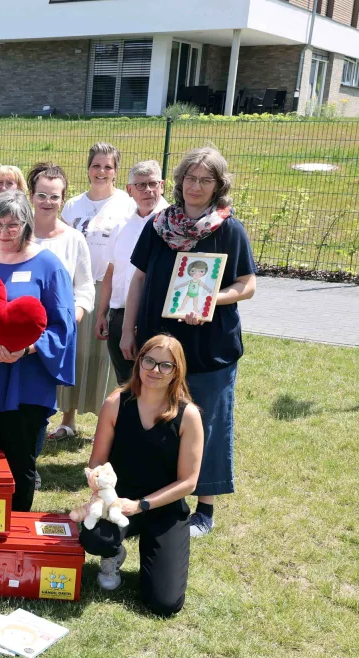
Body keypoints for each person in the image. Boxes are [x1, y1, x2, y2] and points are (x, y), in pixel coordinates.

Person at [121, 146, 257, 538]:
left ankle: (205, 509)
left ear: (219, 185)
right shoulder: (160, 224)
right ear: (179, 182)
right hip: (158, 344)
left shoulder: (229, 228)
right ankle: (157, 496)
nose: (196, 186)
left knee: (206, 422)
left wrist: (213, 299)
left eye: (206, 179)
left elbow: (247, 285)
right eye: (190, 178)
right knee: (158, 419)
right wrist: (129, 331)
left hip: (208, 347)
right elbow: (139, 280)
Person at [0, 191, 76, 512]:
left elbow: (63, 325)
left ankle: (16, 534)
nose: (4, 232)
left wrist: (30, 348)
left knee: (19, 464)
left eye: (13, 225)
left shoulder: (48, 265)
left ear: (27, 226)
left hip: (27, 382)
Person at [78, 335, 204, 617]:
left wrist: (142, 505)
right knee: (93, 538)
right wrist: (96, 481)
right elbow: (98, 460)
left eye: (165, 365)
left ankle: (156, 552)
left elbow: (188, 482)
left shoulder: (188, 415)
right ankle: (113, 554)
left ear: (177, 371)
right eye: (149, 360)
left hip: (163, 509)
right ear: (139, 361)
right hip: (117, 503)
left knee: (164, 604)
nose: (154, 370)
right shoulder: (115, 403)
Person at [52, 142, 136, 438]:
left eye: (108, 167)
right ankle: (68, 420)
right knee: (75, 352)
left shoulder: (127, 204)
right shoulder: (73, 205)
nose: (101, 171)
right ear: (88, 168)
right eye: (96, 165)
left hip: (110, 286)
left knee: (106, 355)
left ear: (116, 171)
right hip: (75, 288)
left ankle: (108, 423)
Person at [27, 162, 95, 441]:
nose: (47, 202)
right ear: (31, 196)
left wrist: (74, 316)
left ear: (63, 199)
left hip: (55, 334)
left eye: (54, 196)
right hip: (18, 333)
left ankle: (31, 461)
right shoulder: (16, 234)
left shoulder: (74, 239)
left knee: (44, 401)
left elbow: (85, 287)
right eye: (42, 195)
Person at [97, 161, 169, 384]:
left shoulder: (171, 225)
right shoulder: (121, 225)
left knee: (152, 386)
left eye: (153, 183)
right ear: (129, 190)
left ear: (162, 186)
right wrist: (102, 313)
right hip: (118, 315)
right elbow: (111, 270)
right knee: (125, 384)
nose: (148, 190)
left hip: (151, 316)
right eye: (141, 185)